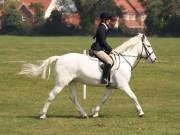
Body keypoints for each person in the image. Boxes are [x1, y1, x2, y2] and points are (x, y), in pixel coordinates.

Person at [91, 12, 115, 85]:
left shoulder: (103, 27)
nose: (109, 21)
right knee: (110, 61)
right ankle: (103, 79)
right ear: (104, 20)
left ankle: (108, 77)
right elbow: (102, 41)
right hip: (97, 49)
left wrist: (108, 49)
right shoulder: (102, 27)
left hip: (100, 48)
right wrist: (110, 49)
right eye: (108, 19)